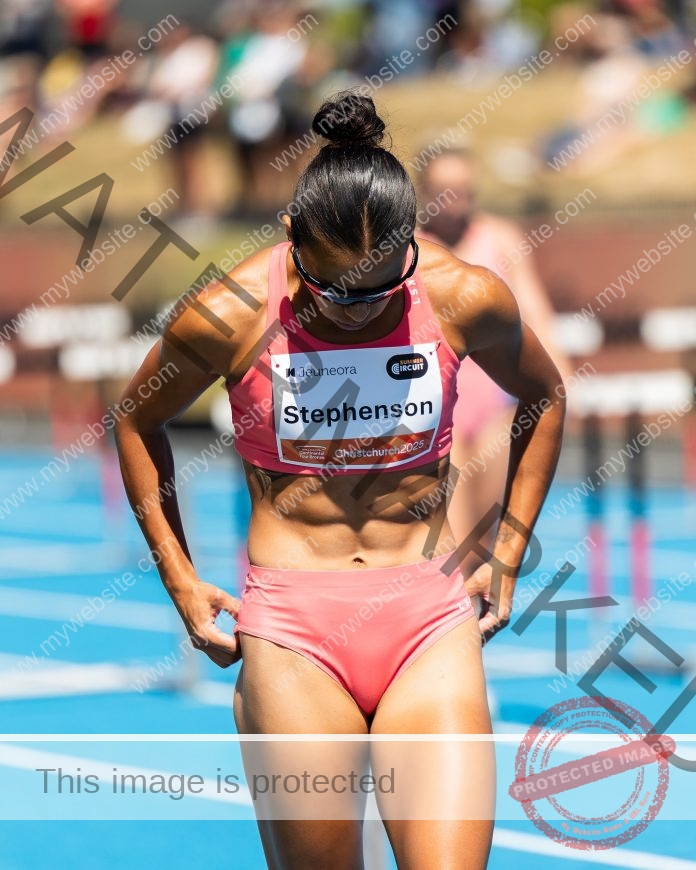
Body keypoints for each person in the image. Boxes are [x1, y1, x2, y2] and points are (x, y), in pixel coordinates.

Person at [115, 91, 565, 869]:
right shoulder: (227, 313)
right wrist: (180, 578)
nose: (358, 309)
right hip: (293, 631)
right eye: (334, 290)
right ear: (291, 239)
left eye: (383, 286)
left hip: (427, 616)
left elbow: (545, 396)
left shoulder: (462, 295)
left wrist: (512, 551)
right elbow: (134, 420)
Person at [418, 148, 569, 569]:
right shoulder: (410, 247)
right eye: (445, 190)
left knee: (486, 541)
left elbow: (534, 310)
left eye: (463, 189)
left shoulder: (500, 238)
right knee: (452, 543)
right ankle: (454, 625)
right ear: (425, 192)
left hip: (495, 403)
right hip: (438, 407)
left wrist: (559, 376)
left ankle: (476, 628)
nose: (455, 198)